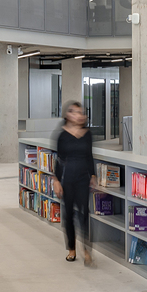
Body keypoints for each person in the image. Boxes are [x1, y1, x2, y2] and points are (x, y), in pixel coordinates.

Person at [52, 100, 95, 264]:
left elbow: (89, 156)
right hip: (67, 178)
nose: (78, 115)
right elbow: (59, 159)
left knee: (85, 214)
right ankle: (71, 249)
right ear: (68, 115)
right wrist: (56, 180)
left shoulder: (87, 134)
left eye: (80, 112)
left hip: (83, 178)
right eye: (74, 112)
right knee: (68, 214)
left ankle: (87, 250)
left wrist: (93, 175)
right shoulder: (62, 135)